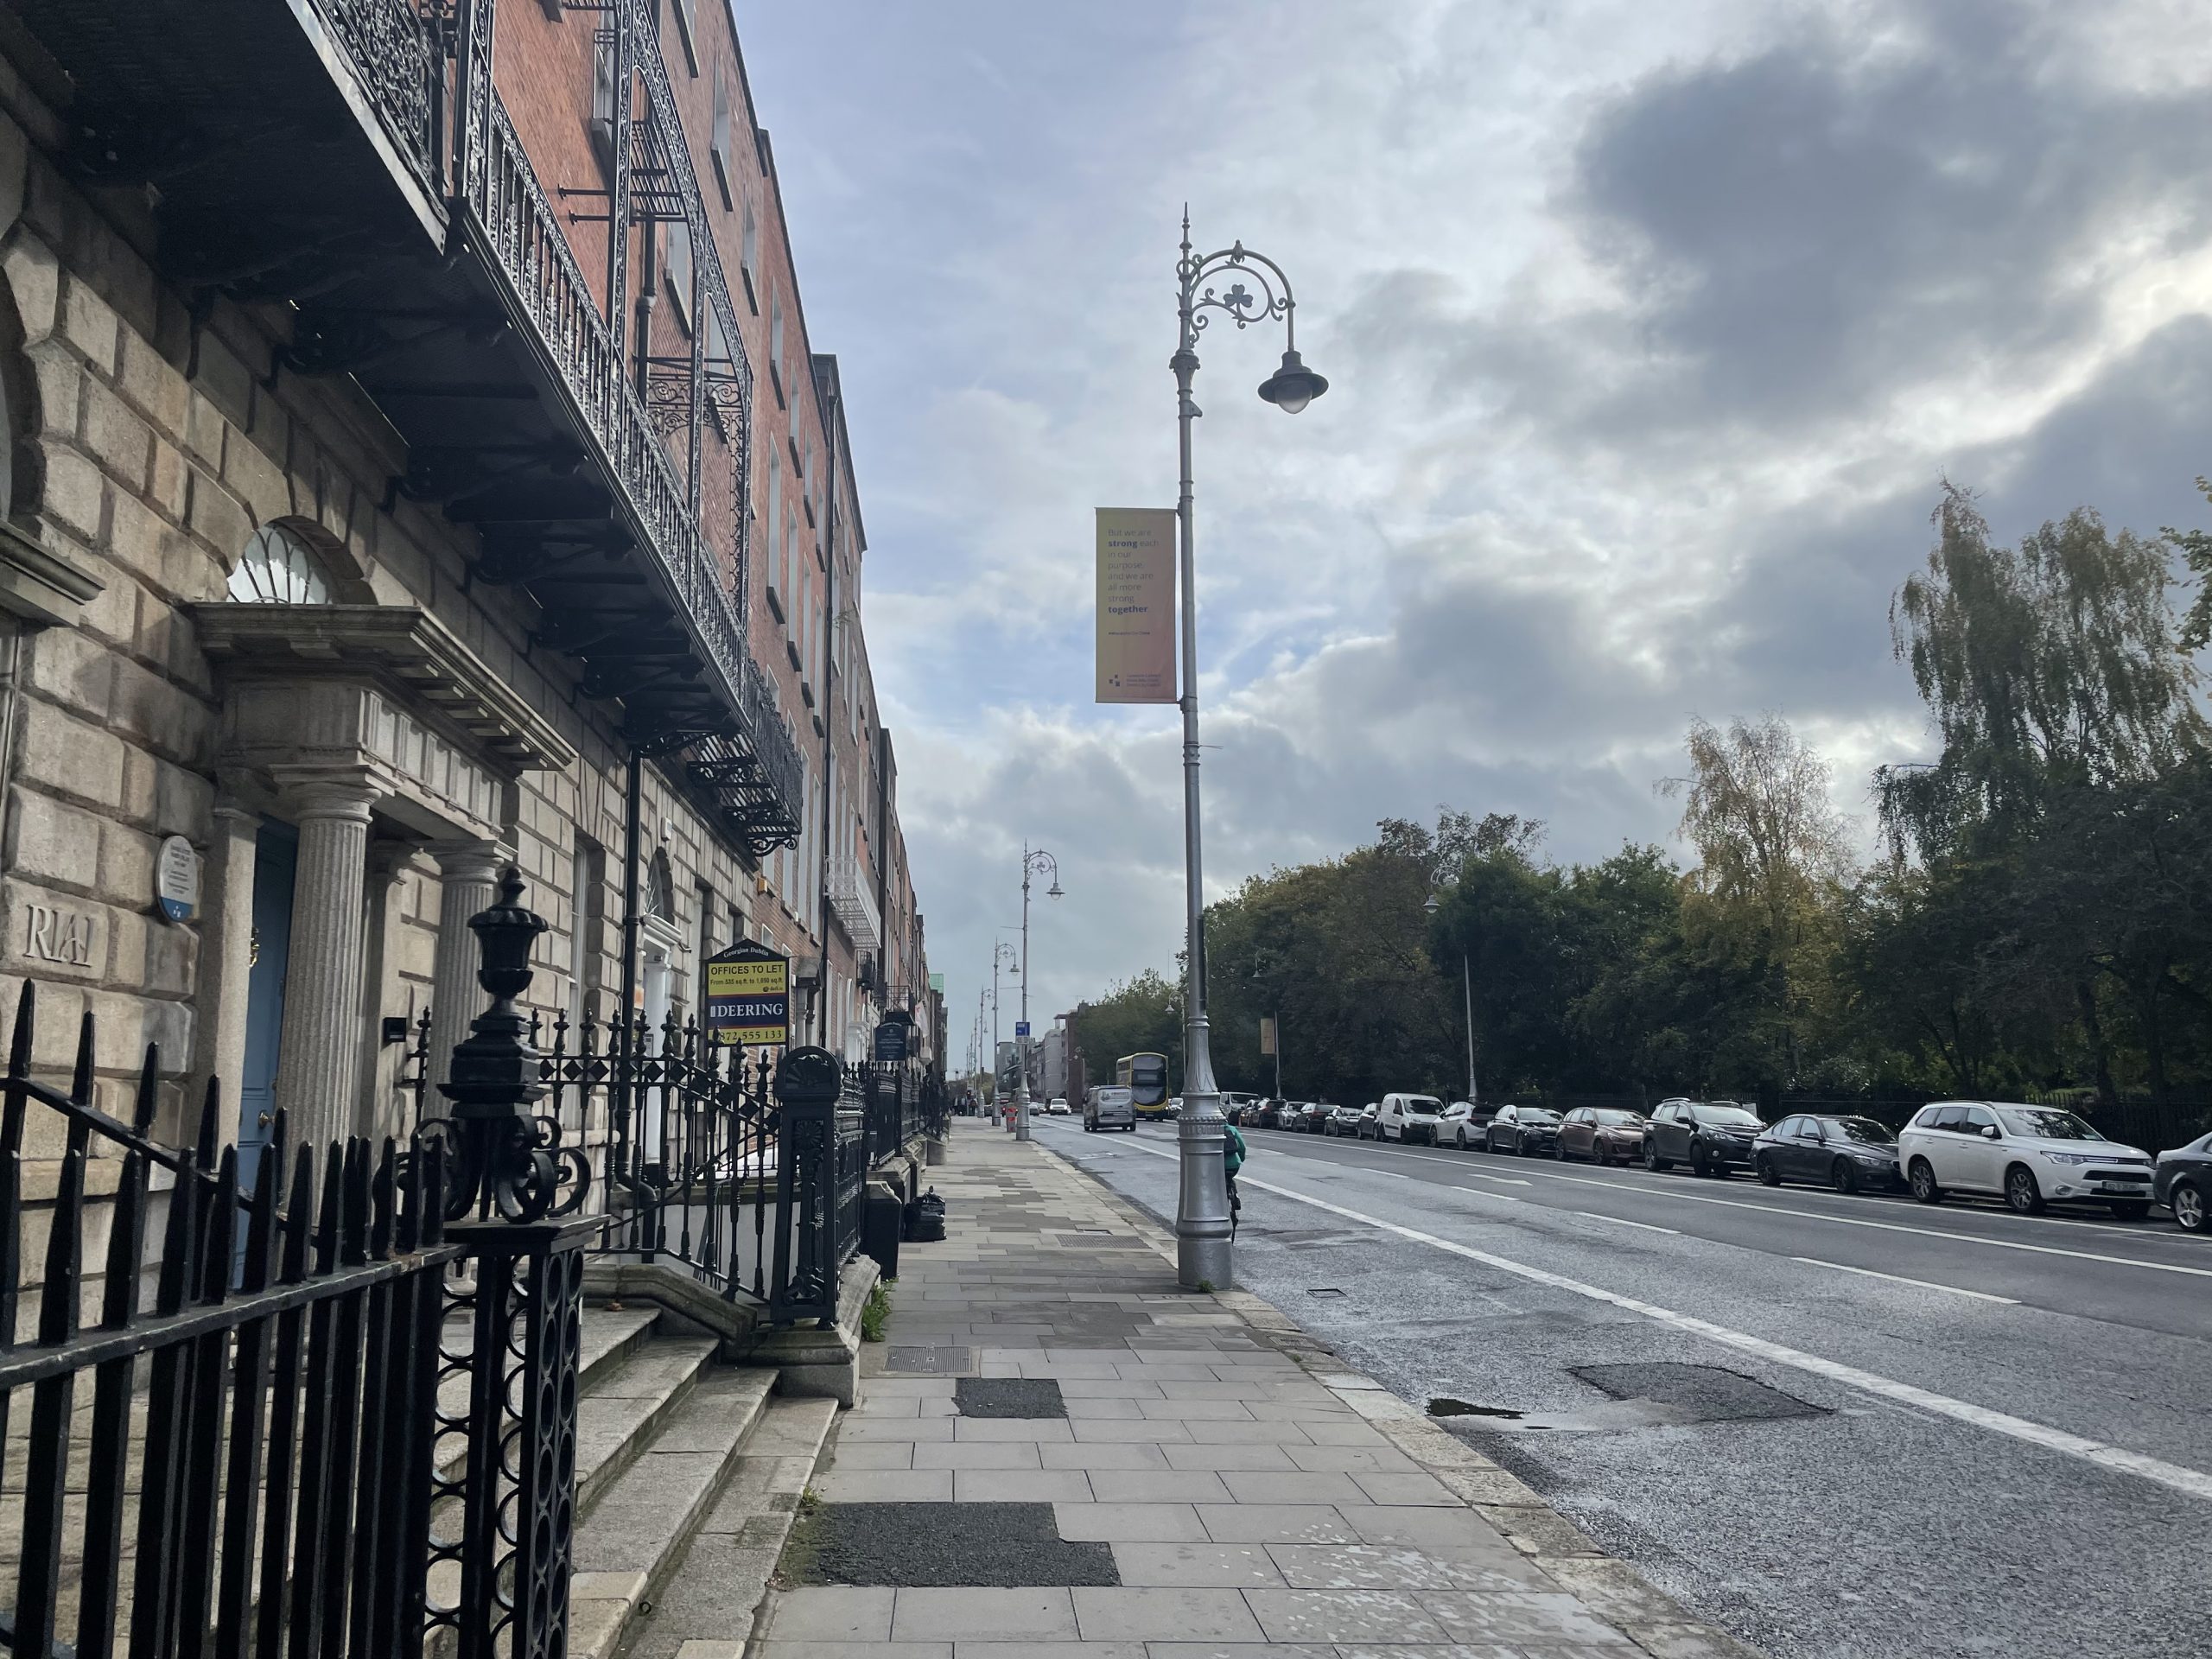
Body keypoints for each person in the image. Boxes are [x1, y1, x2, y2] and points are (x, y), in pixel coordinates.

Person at [1222, 1117, 1248, 1236]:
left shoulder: (1209, 1130)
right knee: (1230, 1180)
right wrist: (1240, 1160)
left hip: (1217, 1166)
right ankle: (1235, 1197)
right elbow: (1242, 1147)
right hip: (1234, 1165)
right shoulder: (1231, 1129)